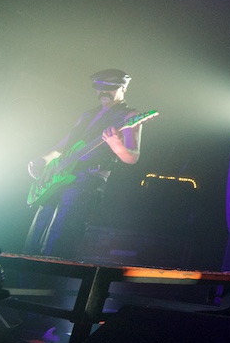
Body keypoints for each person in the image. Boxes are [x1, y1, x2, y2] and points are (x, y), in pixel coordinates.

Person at [23, 69, 144, 260]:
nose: (103, 92)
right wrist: (42, 159)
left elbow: (132, 156)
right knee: (36, 233)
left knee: (59, 237)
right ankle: (26, 279)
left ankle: (51, 280)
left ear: (123, 87)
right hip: (60, 176)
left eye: (110, 88)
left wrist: (116, 144)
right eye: (99, 87)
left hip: (87, 180)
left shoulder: (130, 115)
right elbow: (64, 146)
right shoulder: (88, 115)